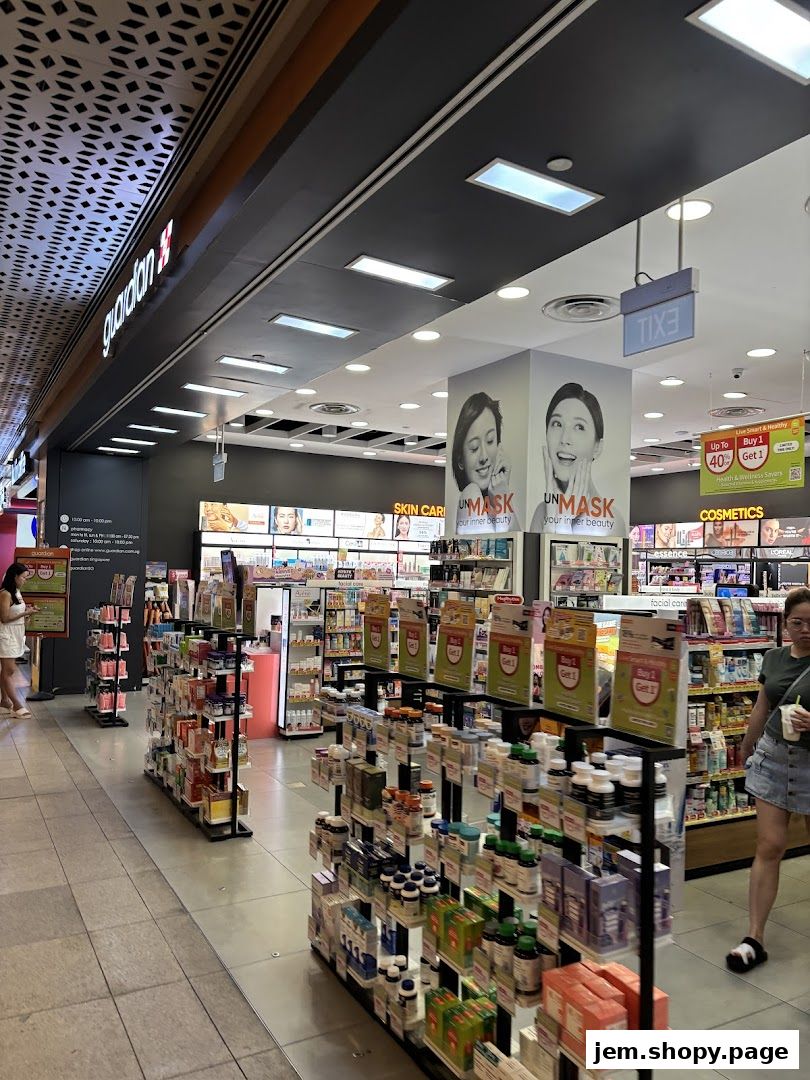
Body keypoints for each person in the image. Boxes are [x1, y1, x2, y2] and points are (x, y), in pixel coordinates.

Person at [726, 586, 810, 973]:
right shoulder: (774, 658)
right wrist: (747, 742)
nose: (805, 629)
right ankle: (754, 937)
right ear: (786, 624)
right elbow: (763, 704)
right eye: (797, 622)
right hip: (774, 759)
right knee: (769, 845)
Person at [529, 383, 626, 536]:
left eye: (579, 427)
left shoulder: (610, 520)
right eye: (557, 424)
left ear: (597, 447)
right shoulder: (542, 512)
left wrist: (562, 523)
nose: (565, 439)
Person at [451, 392, 518, 534]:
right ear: (460, 460)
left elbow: (520, 550)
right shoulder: (470, 494)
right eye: (474, 447)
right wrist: (503, 500)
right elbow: (498, 552)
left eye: (490, 441)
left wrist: (503, 492)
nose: (484, 456)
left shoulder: (492, 499)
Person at [0, 562, 35, 717]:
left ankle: (5, 701)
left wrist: (27, 613)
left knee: (6, 671)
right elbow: (5, 618)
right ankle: (16, 705)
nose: (24, 580)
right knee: (10, 670)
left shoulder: (17, 593)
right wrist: (24, 614)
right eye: (23, 577)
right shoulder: (5, 594)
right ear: (15, 576)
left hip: (16, 634)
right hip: (6, 636)